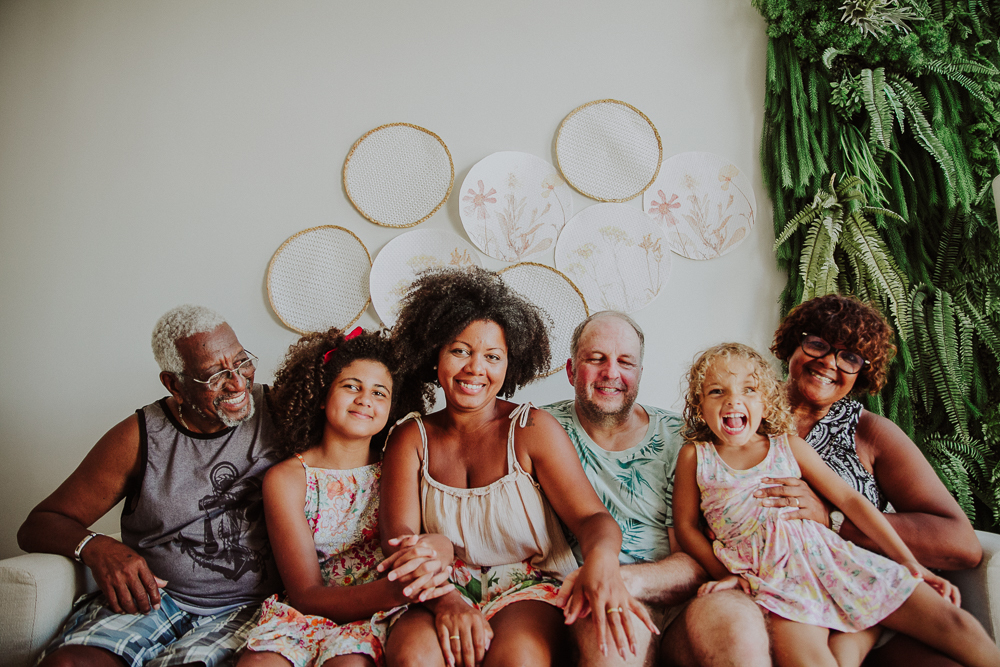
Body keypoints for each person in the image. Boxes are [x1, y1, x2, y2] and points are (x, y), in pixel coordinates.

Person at [380, 267, 655, 667]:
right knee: (412, 657)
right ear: (434, 352)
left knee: (519, 659)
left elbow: (593, 518)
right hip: (435, 588)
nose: (476, 368)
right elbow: (400, 544)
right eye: (460, 350)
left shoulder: (531, 429)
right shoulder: (410, 439)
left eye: (493, 357)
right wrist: (447, 603)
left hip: (525, 587)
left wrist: (603, 562)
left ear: (511, 365)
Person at [673, 342, 1000, 667]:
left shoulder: (788, 446)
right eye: (717, 391)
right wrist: (729, 574)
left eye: (748, 389)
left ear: (766, 402)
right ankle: (863, 631)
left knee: (954, 623)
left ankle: (867, 626)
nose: (733, 399)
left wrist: (909, 563)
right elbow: (686, 526)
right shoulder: (695, 456)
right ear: (699, 405)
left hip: (831, 557)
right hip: (774, 579)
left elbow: (851, 500)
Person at [18, 305, 282, 667]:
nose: (237, 383)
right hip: (155, 600)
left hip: (249, 608)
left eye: (240, 362)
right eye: (213, 375)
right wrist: (97, 547)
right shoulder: (139, 437)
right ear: (175, 384)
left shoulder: (282, 410)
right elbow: (39, 523)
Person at [761, 294, 983, 666]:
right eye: (817, 343)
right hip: (783, 597)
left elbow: (962, 544)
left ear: (862, 371)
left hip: (868, 597)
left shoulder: (871, 433)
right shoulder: (743, 417)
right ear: (792, 345)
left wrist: (832, 519)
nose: (829, 362)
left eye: (849, 356)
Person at [544, 311, 771, 667]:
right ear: (572, 370)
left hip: (688, 601)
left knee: (738, 625)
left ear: (639, 375)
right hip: (596, 600)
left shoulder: (684, 438)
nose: (611, 373)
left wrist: (623, 579)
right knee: (612, 640)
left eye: (625, 362)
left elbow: (699, 552)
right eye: (596, 359)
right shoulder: (540, 431)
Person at [238, 327, 454, 667]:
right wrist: (394, 591)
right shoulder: (287, 480)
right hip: (311, 610)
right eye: (352, 386)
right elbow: (305, 595)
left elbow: (424, 539)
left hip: (379, 613)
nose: (365, 399)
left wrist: (439, 548)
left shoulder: (398, 469)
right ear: (323, 396)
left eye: (379, 393)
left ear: (392, 408)